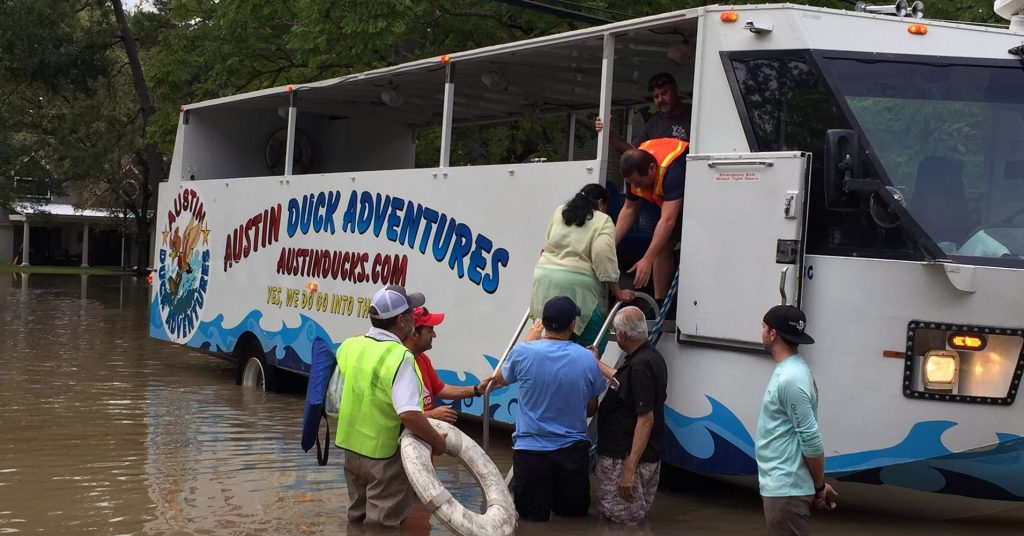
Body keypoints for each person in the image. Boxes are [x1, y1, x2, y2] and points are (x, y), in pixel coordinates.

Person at [334, 285, 448, 527]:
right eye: (410, 314)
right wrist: (438, 442)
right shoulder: (401, 357)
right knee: (382, 526)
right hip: (384, 455)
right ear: (400, 320)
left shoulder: (349, 346)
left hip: (351, 450)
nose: (413, 318)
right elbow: (408, 414)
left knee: (356, 518)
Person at [490, 296, 606, 522]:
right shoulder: (586, 358)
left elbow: (500, 378)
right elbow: (591, 409)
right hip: (572, 452)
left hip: (530, 451)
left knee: (531, 521)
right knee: (573, 520)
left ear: (542, 322)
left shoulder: (523, 352)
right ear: (572, 325)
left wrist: (528, 342)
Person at [757, 305, 838, 536]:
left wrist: (819, 486)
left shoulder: (791, 379)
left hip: (785, 491)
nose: (761, 332)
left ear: (773, 334)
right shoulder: (793, 370)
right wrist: (815, 485)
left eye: (763, 327)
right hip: (785, 486)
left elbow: (811, 440)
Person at [532, 184, 634, 350]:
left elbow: (547, 243)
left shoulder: (560, 212)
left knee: (553, 338)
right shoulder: (602, 220)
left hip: (545, 280)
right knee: (593, 344)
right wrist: (618, 292)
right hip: (579, 286)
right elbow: (603, 255)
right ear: (601, 203)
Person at [594, 306, 668, 524]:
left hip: (625, 456)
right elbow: (624, 381)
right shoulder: (650, 357)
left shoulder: (640, 366)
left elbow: (646, 419)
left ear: (622, 335)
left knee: (620, 521)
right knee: (632, 518)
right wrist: (596, 363)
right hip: (644, 455)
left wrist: (629, 468)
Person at [614, 137, 687, 301]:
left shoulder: (673, 170)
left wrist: (647, 260)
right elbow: (629, 208)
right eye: (633, 184)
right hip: (667, 205)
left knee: (661, 247)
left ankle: (663, 303)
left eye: (639, 182)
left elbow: (668, 219)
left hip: (695, 205)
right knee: (660, 248)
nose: (637, 188)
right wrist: (609, 245)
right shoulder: (634, 172)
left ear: (652, 169)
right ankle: (659, 303)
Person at [403, 306, 490, 423]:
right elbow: (401, 416)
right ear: (414, 334)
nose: (434, 335)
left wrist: (477, 390)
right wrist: (431, 415)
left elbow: (439, 389)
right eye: (430, 330)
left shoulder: (422, 358)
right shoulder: (400, 363)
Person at [594, 72, 692, 153]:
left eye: (664, 93)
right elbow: (633, 152)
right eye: (656, 97)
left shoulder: (694, 115)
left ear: (676, 91)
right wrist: (609, 134)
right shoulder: (653, 124)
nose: (660, 99)